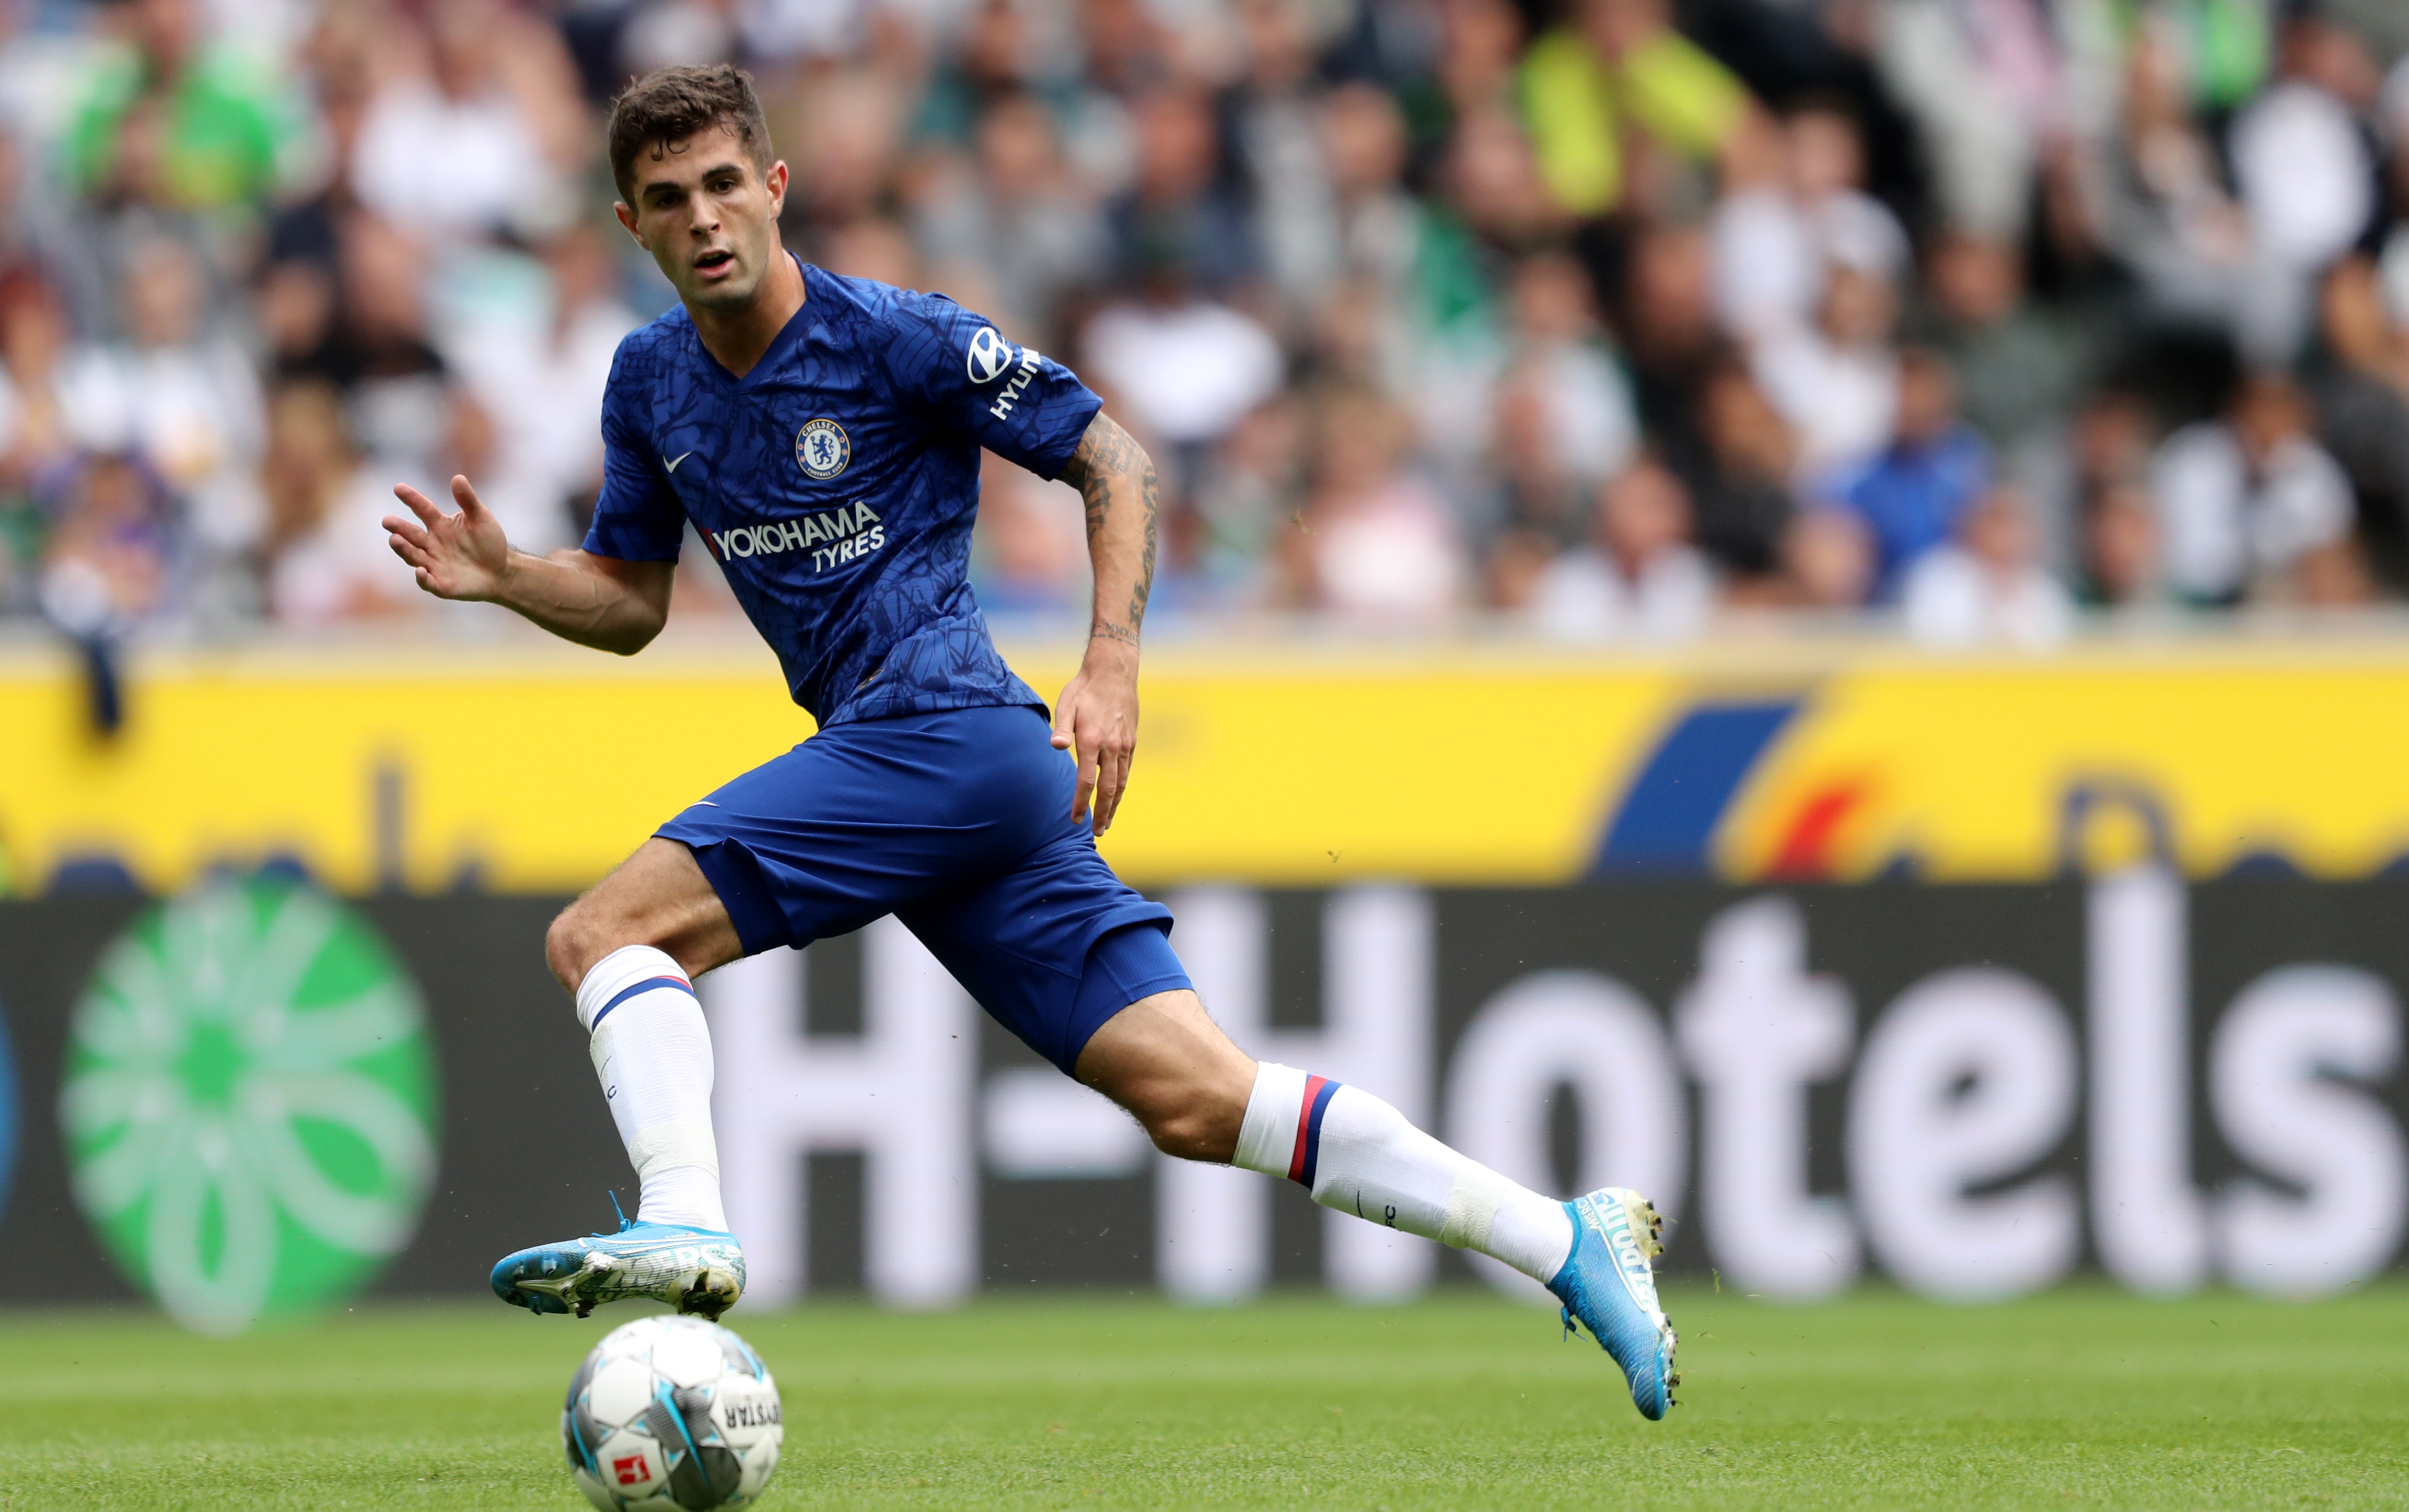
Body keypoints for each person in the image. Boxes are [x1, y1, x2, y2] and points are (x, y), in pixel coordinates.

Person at [379, 65, 1678, 1420]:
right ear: (630, 227)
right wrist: (513, 575)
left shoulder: (896, 338)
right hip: (939, 786)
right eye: (666, 199)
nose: (702, 218)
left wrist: (1111, 660)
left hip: (946, 734)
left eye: (721, 185)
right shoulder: (650, 382)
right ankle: (1565, 1238)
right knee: (1197, 1098)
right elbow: (634, 600)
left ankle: (690, 1221)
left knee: (604, 937)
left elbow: (1114, 458)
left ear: (773, 189)